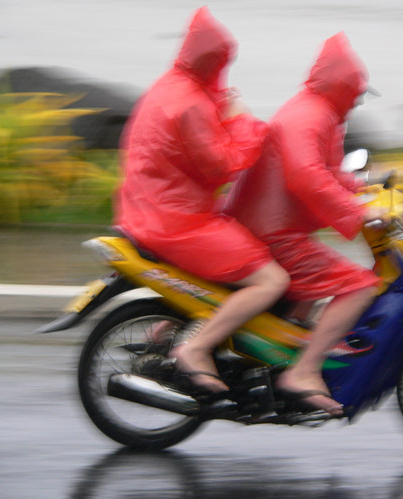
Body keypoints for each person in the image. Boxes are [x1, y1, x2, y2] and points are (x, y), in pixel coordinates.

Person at [114, 6, 289, 398]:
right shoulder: (191, 103)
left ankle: (166, 332)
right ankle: (194, 349)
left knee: (237, 253)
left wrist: (220, 110)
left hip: (142, 210)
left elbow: (192, 149)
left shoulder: (169, 86)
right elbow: (222, 166)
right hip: (177, 222)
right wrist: (242, 119)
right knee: (270, 279)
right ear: (215, 60)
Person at [225, 33, 383, 416]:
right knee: (359, 285)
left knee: (323, 274)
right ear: (343, 87)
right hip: (272, 233)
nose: (359, 100)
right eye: (357, 92)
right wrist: (355, 213)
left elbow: (328, 172)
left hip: (272, 227)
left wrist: (365, 191)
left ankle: (283, 352)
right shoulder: (311, 117)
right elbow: (306, 177)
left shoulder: (320, 113)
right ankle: (304, 370)